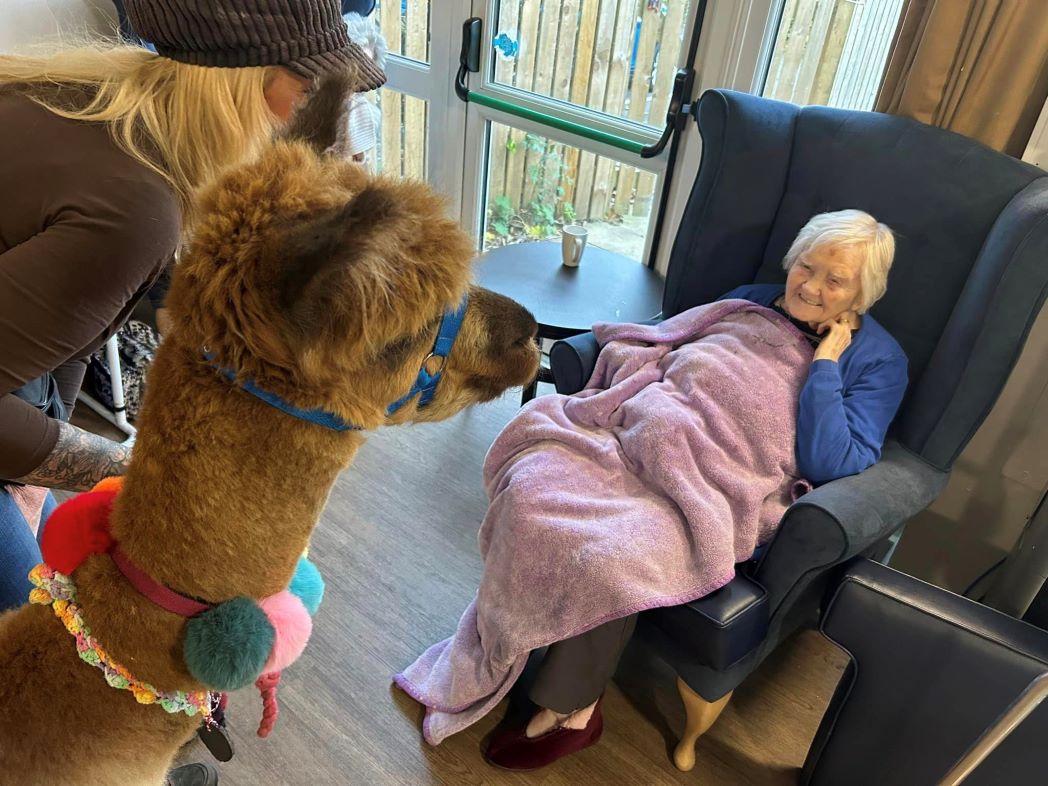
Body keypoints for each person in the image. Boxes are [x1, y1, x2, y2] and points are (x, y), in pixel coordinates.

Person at [0, 1, 383, 783]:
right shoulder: (136, 204)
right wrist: (95, 463)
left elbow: (71, 330)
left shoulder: (92, 99)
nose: (311, 113)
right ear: (256, 84)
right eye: (307, 88)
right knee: (44, 644)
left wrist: (36, 458)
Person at [477, 209, 909, 769]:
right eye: (807, 266)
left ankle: (573, 710)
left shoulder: (877, 360)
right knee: (535, 486)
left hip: (716, 483)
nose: (811, 285)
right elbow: (665, 344)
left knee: (613, 553)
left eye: (836, 280)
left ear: (864, 293)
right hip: (636, 438)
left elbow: (836, 460)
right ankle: (510, 633)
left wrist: (825, 364)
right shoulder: (747, 301)